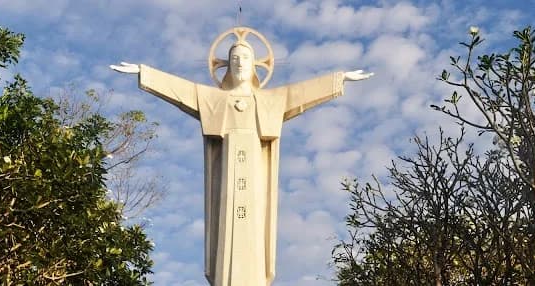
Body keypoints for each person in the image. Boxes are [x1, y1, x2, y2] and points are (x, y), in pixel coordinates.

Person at [111, 32, 372, 286]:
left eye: (244, 57)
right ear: (226, 65)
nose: (238, 63)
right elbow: (181, 90)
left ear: (255, 65)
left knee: (253, 237)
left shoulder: (270, 100)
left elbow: (301, 93)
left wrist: (339, 80)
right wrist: (144, 73)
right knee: (227, 239)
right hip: (226, 176)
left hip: (255, 179)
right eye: (234, 57)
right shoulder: (214, 99)